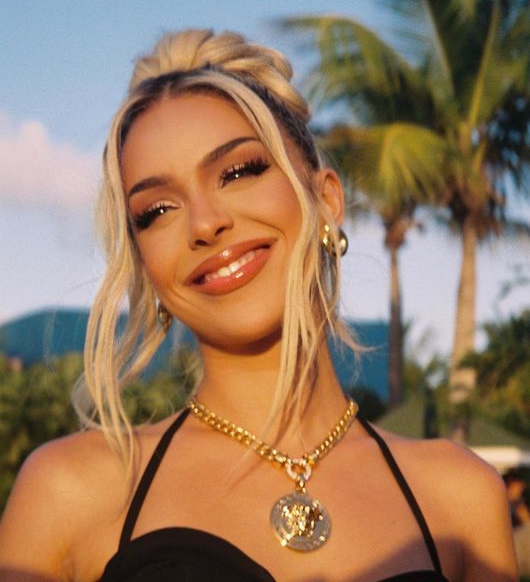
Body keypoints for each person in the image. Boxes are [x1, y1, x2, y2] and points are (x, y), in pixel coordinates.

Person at [0, 29, 518, 581]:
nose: (204, 223)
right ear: (145, 268)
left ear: (325, 199)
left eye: (239, 172)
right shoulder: (68, 493)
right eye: (157, 210)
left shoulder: (460, 499)